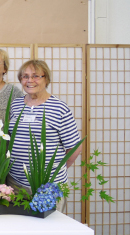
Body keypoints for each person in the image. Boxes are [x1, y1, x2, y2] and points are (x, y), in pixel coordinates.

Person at [8, 60, 82, 212]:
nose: (30, 80)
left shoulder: (59, 108)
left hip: (48, 186)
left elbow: (74, 147)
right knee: (18, 230)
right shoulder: (16, 105)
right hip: (15, 183)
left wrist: (58, 169)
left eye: (36, 76)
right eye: (25, 76)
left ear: (46, 79)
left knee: (46, 232)